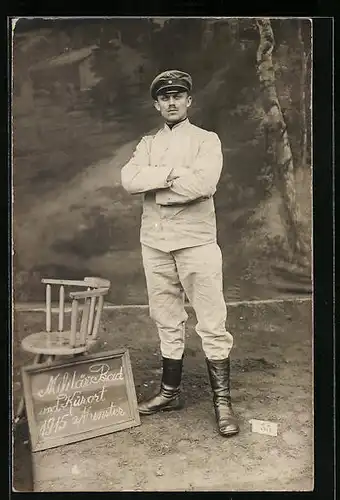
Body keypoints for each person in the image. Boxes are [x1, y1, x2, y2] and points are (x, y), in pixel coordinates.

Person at [121, 70, 239, 437]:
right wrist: (173, 174)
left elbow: (204, 185)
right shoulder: (147, 143)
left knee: (211, 321)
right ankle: (169, 392)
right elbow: (128, 179)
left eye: (179, 96)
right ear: (157, 105)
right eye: (165, 97)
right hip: (155, 244)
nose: (172, 102)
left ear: (189, 101)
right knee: (166, 316)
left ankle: (223, 402)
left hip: (196, 242)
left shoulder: (207, 140)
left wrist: (155, 182)